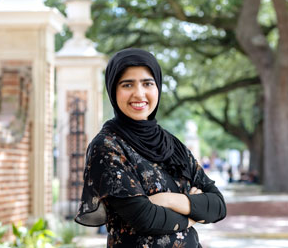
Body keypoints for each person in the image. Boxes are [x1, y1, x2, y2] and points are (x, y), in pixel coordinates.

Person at [75, 49, 226, 248]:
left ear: (158, 88)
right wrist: (191, 216)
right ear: (113, 90)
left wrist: (168, 200)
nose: (139, 93)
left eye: (147, 83)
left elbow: (217, 205)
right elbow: (144, 217)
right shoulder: (107, 146)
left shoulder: (172, 145)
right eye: (127, 84)